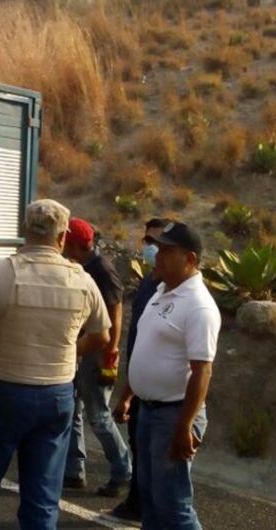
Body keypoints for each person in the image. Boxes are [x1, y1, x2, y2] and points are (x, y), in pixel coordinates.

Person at [0, 199, 112, 530]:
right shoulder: (81, 280)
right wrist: (70, 350)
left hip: (2, 393)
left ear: (24, 231)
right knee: (42, 501)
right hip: (56, 396)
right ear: (63, 237)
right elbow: (104, 337)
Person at [126, 222, 221, 530]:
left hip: (173, 415)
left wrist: (184, 425)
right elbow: (148, 348)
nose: (158, 256)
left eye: (168, 251)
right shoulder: (161, 291)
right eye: (158, 249)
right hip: (149, 412)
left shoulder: (198, 306)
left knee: (173, 506)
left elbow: (202, 371)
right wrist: (128, 393)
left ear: (190, 259)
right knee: (151, 501)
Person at [62, 218, 132, 497]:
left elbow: (115, 310)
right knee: (73, 410)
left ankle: (122, 470)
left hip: (97, 352)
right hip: (85, 347)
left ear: (74, 244)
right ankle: (74, 470)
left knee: (99, 415)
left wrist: (110, 352)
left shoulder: (101, 269)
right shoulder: (83, 265)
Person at [106, 218, 169, 525]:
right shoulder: (148, 283)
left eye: (157, 243)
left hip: (157, 392)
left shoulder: (172, 291)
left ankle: (144, 506)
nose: (150, 248)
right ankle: (137, 504)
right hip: (140, 383)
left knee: (156, 464)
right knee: (138, 447)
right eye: (147, 241)